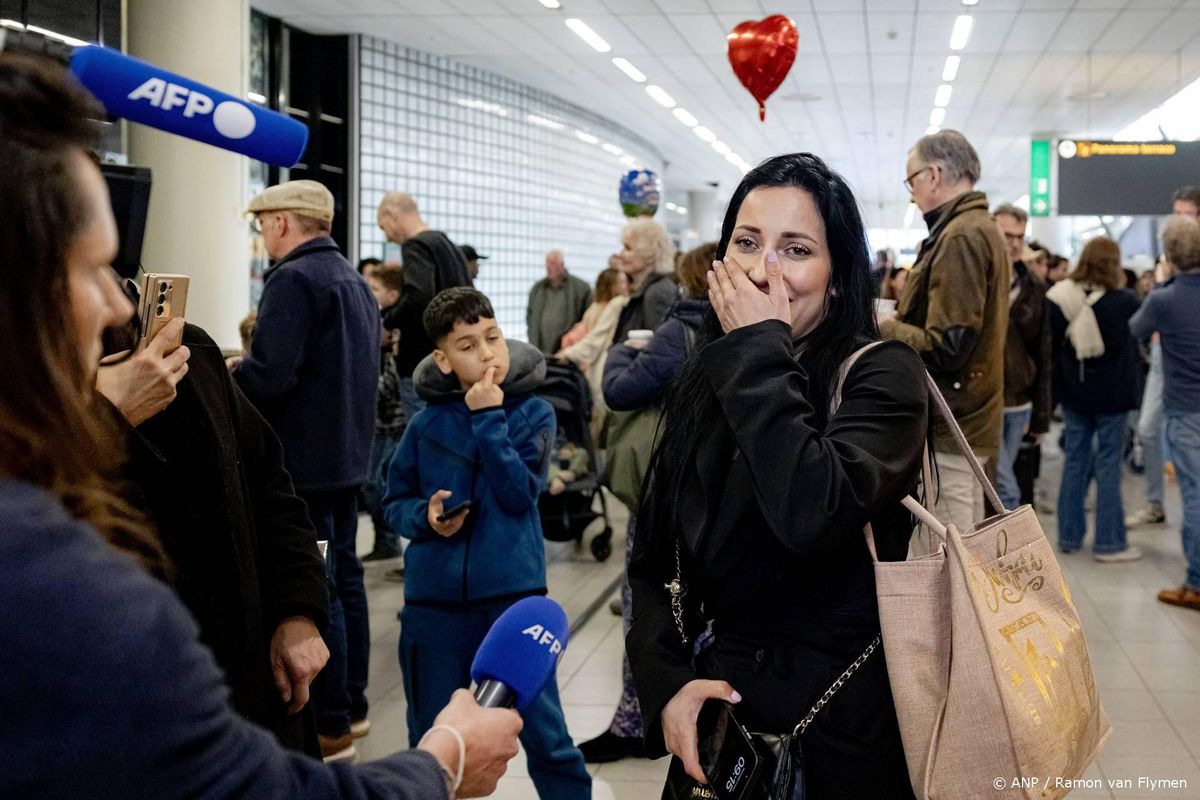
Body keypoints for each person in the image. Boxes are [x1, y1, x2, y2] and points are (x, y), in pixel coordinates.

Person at [0, 48, 522, 799]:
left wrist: (294, 609)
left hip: (298, 520)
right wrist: (443, 761)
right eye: (90, 270)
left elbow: (264, 463)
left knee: (337, 577)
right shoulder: (59, 585)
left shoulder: (210, 346)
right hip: (334, 471)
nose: (115, 302)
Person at [627, 153, 927, 799]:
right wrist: (668, 682)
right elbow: (654, 556)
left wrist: (758, 351)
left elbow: (813, 513)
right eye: (746, 242)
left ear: (838, 276)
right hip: (724, 714)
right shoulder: (712, 374)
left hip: (843, 723)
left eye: (795, 249)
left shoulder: (883, 375)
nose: (766, 270)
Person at [383, 288, 592, 799]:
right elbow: (394, 503)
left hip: (511, 602)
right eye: (467, 345)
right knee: (432, 738)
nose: (485, 353)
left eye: (492, 338)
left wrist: (488, 419)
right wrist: (425, 516)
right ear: (443, 360)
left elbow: (520, 495)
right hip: (433, 607)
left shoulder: (534, 413)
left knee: (547, 736)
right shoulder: (425, 423)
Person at [98, 310, 332, 757]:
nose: (114, 293)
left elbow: (270, 484)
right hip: (133, 719)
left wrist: (298, 610)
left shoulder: (189, 351)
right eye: (88, 273)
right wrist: (107, 414)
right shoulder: (31, 399)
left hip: (250, 685)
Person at [235, 179, 379, 761]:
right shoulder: (352, 279)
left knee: (319, 592)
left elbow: (270, 377)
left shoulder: (293, 279)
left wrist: (226, 379)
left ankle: (332, 721)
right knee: (346, 579)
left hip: (303, 465)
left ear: (281, 223)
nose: (262, 235)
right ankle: (356, 703)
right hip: (346, 458)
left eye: (261, 224)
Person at [574, 242, 714, 764]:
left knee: (648, 601)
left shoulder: (679, 330)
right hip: (712, 494)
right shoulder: (740, 334)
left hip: (664, 491)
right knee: (702, 610)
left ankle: (637, 719)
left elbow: (622, 391)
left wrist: (623, 352)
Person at [879, 129, 1010, 530]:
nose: (912, 192)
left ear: (933, 175)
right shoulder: (975, 227)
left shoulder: (961, 236)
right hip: (969, 419)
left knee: (948, 561)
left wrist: (888, 326)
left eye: (912, 180)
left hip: (954, 425)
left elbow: (948, 348)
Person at [1046, 237, 1142, 561]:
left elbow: (1053, 348)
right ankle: (1109, 543)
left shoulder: (1060, 298)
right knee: (1109, 464)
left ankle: (1069, 537)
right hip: (1114, 396)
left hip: (1075, 393)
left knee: (1074, 461)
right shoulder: (1126, 302)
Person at [1130, 215, 1200, 609]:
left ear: (1169, 256)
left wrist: (1161, 281)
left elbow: (1136, 329)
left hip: (1185, 410)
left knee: (1194, 498)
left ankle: (1195, 582)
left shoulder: (1164, 299)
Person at [376, 191, 473, 418]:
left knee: (426, 439)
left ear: (392, 215)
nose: (388, 237)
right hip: (451, 359)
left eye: (383, 228)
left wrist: (387, 322)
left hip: (422, 364)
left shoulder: (415, 246)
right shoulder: (447, 245)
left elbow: (419, 296)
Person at [993, 203, 1052, 510]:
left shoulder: (1032, 286)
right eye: (1007, 235)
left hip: (1019, 403)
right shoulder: (981, 279)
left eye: (1019, 237)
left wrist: (1042, 416)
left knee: (1000, 483)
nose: (1014, 243)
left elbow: (1043, 350)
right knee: (1005, 488)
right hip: (984, 402)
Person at [362, 264, 407, 563]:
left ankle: (389, 539)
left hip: (390, 423)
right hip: (376, 422)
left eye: (375, 289)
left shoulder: (395, 331)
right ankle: (385, 540)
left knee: (373, 481)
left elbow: (389, 385)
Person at [555, 267, 631, 441]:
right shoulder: (617, 305)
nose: (623, 285)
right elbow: (594, 339)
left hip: (595, 368)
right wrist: (571, 353)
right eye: (620, 281)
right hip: (598, 368)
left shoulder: (609, 305)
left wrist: (570, 353)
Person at [612, 218, 680, 344]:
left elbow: (660, 347)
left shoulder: (657, 292)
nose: (620, 254)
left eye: (627, 248)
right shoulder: (650, 289)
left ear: (649, 253)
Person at [526, 249, 592, 354]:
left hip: (568, 350)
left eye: (552, 263)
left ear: (562, 264)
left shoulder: (581, 288)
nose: (548, 266)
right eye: (547, 263)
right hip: (541, 349)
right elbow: (530, 317)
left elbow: (587, 320)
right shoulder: (537, 289)